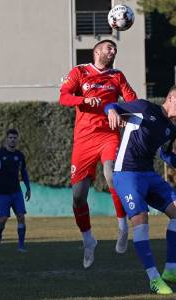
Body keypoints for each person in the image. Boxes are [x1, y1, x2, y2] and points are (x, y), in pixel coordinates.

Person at [104, 86, 176, 295]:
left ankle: (171, 270)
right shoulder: (144, 107)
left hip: (148, 174)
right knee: (140, 218)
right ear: (170, 98)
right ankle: (154, 278)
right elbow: (110, 105)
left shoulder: (171, 130)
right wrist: (112, 111)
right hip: (126, 173)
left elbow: (167, 156)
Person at [59, 39, 137, 268]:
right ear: (96, 51)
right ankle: (88, 240)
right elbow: (63, 97)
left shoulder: (117, 76)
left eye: (115, 49)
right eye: (109, 48)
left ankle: (123, 226)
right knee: (78, 196)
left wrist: (116, 109)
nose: (113, 51)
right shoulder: (80, 72)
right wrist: (84, 99)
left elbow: (133, 101)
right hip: (83, 141)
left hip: (108, 135)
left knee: (112, 172)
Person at [0, 128, 31, 252]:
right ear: (6, 139)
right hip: (3, 193)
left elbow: (24, 173)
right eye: (10, 137)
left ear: (17, 139)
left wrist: (28, 188)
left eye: (14, 138)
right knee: (3, 220)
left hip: (17, 192)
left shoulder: (20, 156)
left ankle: (21, 246)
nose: (12, 140)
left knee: (21, 217)